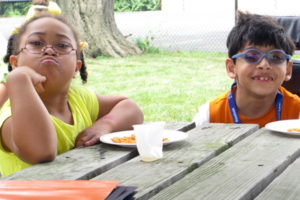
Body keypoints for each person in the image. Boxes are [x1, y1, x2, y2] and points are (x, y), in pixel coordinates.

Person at [0, 15, 144, 177]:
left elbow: (131, 109)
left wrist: (105, 124)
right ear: (15, 63)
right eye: (36, 43)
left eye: (62, 45)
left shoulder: (78, 98)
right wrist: (18, 79)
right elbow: (41, 152)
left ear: (76, 67)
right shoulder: (12, 116)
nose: (48, 50)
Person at [193, 11, 300, 128]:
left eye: (275, 57)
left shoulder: (297, 113)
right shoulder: (210, 117)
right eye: (252, 56)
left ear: (288, 70)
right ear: (231, 68)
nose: (264, 65)